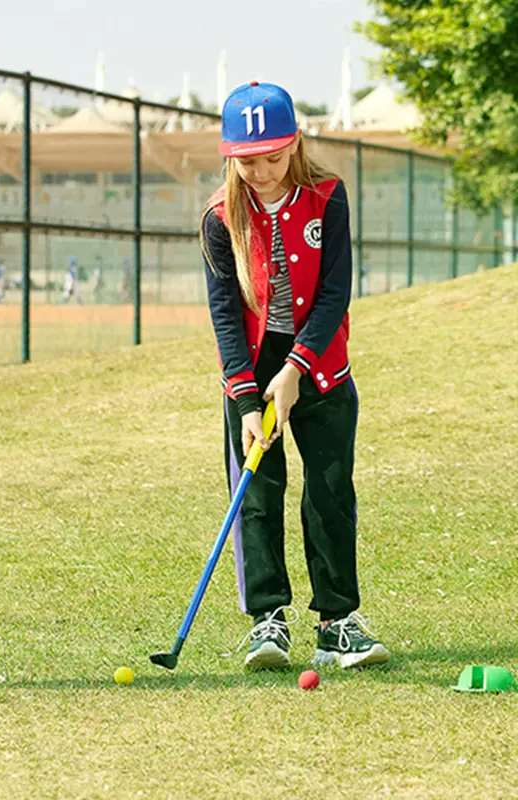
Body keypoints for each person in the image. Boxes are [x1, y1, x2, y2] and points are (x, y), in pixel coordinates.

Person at [200, 81, 389, 671]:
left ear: (296, 144)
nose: (260, 171)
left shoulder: (328, 197)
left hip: (322, 367)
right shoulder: (218, 217)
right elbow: (226, 315)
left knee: (330, 493)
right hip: (252, 376)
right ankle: (267, 621)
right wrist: (249, 399)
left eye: (273, 158)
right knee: (257, 494)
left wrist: (296, 370)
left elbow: (335, 292)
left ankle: (337, 622)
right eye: (247, 161)